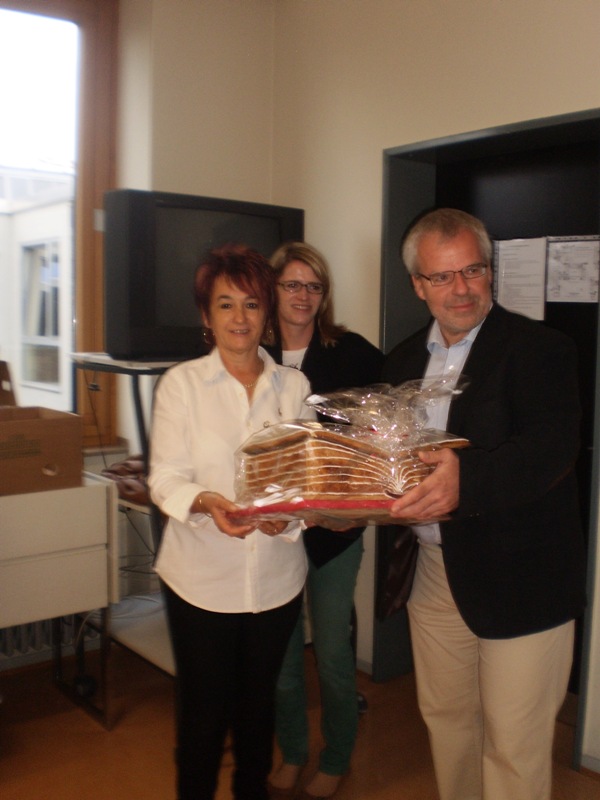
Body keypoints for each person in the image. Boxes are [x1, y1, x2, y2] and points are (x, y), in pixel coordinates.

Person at [382, 208, 587, 800]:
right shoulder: (400, 364)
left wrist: (465, 480)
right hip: (434, 572)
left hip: (523, 575)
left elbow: (551, 448)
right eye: (442, 276)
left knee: (513, 745)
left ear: (489, 271)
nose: (462, 289)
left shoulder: (542, 349)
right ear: (418, 285)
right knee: (447, 723)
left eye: (473, 270)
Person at [148, 244, 315, 800]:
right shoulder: (181, 385)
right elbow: (164, 478)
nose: (239, 317)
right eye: (225, 304)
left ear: (267, 313)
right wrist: (205, 502)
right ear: (207, 314)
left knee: (257, 711)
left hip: (276, 580)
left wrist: (287, 518)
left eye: (251, 304)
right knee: (202, 718)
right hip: (200, 583)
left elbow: (304, 481)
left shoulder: (295, 388)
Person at [266, 242, 384, 800]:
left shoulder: (352, 352)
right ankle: (292, 753)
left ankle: (336, 757)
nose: (303, 296)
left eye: (314, 286)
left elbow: (383, 431)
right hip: (274, 532)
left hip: (335, 530)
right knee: (283, 657)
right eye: (292, 284)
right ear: (272, 289)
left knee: (334, 653)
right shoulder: (252, 352)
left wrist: (356, 505)